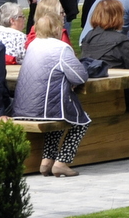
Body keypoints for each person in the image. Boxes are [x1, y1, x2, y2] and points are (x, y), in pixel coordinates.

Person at [13, 13, 93, 176]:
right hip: (45, 107)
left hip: (22, 107)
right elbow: (79, 76)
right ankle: (62, 162)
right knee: (82, 121)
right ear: (56, 29)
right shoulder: (61, 48)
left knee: (60, 119)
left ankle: (47, 161)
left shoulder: (33, 45)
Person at [78, 0, 129, 69]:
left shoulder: (88, 37)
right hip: (118, 78)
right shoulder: (122, 42)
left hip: (94, 77)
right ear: (118, 17)